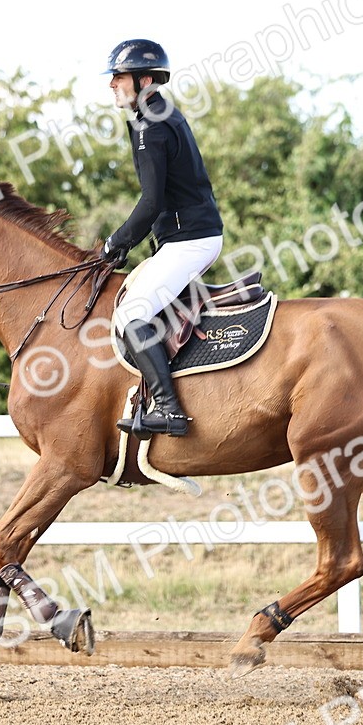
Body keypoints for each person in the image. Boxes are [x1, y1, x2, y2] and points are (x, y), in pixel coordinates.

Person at [99, 38, 225, 439]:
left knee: (132, 314)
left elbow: (151, 201)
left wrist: (116, 241)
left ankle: (170, 411)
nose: (112, 84)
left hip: (191, 240)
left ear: (145, 79)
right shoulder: (153, 116)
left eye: (119, 76)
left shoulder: (151, 123)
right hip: (183, 238)